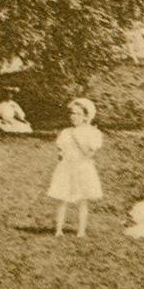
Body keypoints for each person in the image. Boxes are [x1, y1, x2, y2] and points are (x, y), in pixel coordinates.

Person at [48, 97, 103, 237]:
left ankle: (81, 230)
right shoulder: (66, 132)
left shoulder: (92, 133)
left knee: (82, 200)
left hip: (83, 168)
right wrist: (61, 155)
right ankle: (59, 229)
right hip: (66, 167)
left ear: (85, 117)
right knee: (63, 198)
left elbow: (90, 153)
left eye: (78, 114)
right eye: (72, 113)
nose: (73, 116)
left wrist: (79, 143)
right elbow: (61, 151)